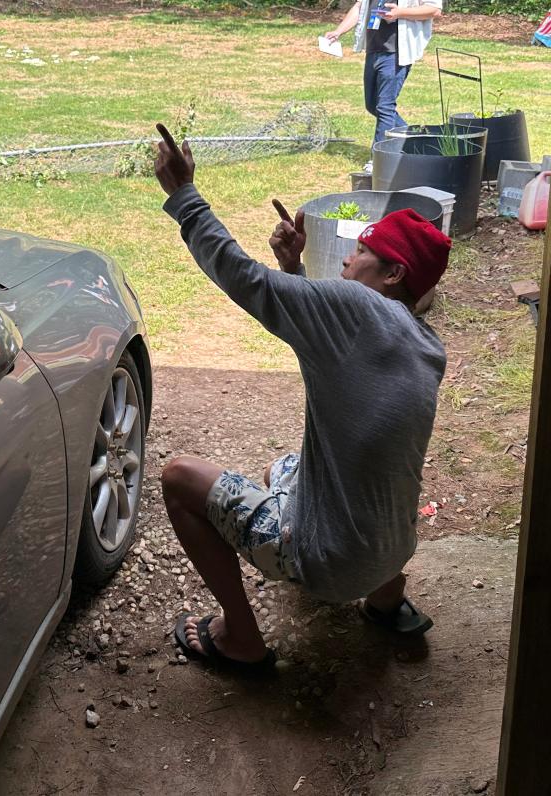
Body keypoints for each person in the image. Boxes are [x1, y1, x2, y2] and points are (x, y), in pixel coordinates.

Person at [151, 123, 450, 672]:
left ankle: (240, 635)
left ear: (392, 274)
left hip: (329, 563)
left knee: (177, 477)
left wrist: (184, 196)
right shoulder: (426, 345)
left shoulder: (353, 313)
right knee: (283, 466)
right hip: (390, 547)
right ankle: (386, 597)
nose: (345, 261)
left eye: (360, 252)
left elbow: (247, 281)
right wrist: (296, 268)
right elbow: (337, 350)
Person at [324, 0, 444, 170]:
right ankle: (414, 136)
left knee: (385, 106)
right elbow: (360, 7)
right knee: (372, 104)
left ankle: (379, 161)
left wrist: (399, 13)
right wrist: (338, 31)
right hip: (374, 50)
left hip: (396, 52)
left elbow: (434, 9)